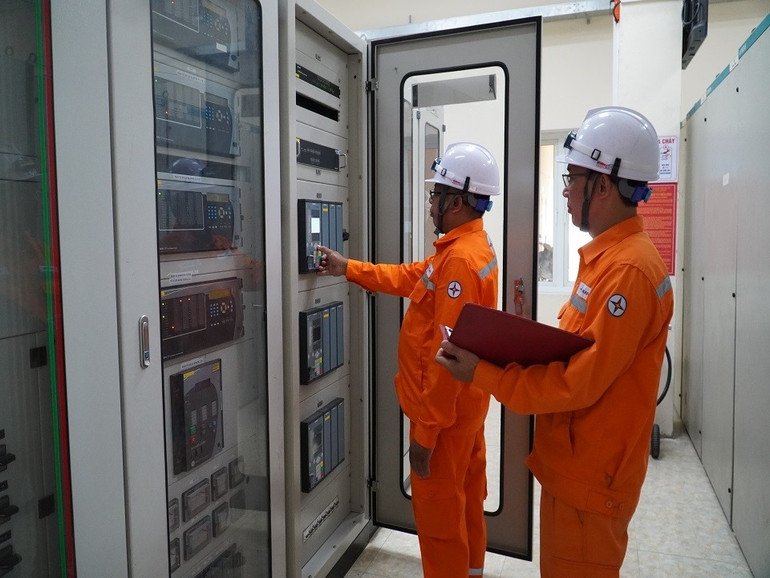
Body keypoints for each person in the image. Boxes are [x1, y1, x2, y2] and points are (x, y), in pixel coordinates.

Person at [436, 107, 674, 577]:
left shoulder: (627, 272)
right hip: (576, 470)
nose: (565, 190)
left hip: (591, 479)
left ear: (603, 185)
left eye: (573, 178)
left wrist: (479, 371)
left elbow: (575, 384)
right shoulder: (607, 260)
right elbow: (576, 351)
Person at [316, 142, 501, 578]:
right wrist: (349, 268)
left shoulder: (458, 262)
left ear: (456, 201)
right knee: (467, 503)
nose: (430, 203)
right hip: (468, 410)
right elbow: (407, 277)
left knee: (440, 526)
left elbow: (448, 357)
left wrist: (426, 433)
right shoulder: (470, 247)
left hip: (445, 419)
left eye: (436, 195)